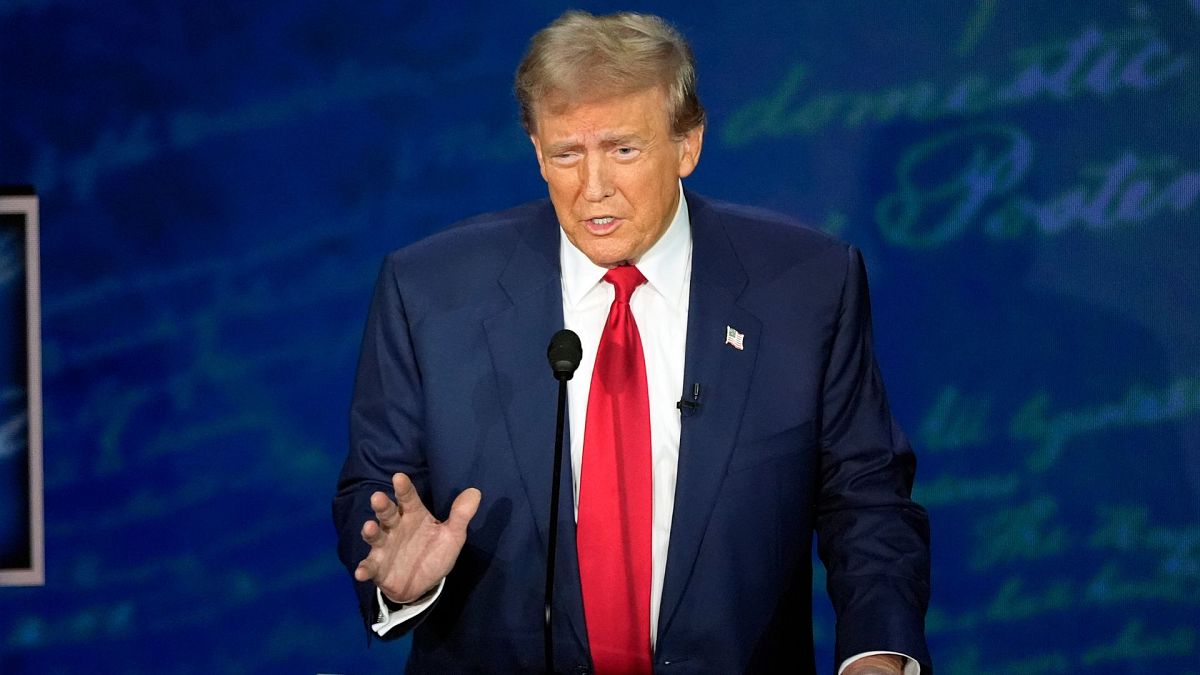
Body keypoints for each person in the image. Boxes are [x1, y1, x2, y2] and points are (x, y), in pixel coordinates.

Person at [333, 10, 931, 674]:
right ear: (536, 151)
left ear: (688, 144)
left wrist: (876, 654)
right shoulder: (429, 293)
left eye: (623, 149)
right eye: (567, 153)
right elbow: (376, 488)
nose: (594, 189)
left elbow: (867, 497)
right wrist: (397, 579)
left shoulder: (806, 286)